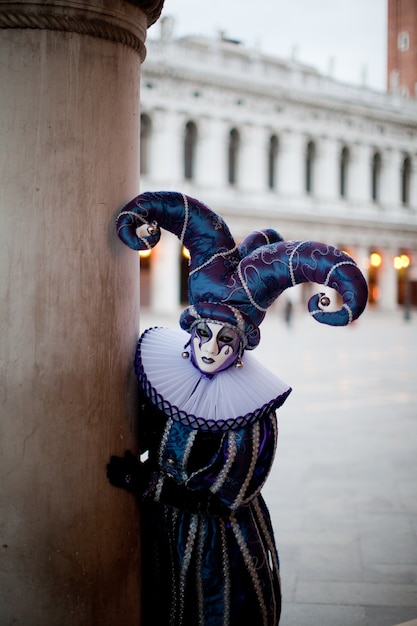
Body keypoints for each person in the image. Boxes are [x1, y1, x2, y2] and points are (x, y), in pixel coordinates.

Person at [107, 191, 368, 626]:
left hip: (216, 548)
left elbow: (227, 498)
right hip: (162, 535)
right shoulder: (168, 381)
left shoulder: (251, 415)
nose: (210, 348)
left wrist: (151, 485)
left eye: (225, 340)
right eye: (204, 333)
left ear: (242, 346)